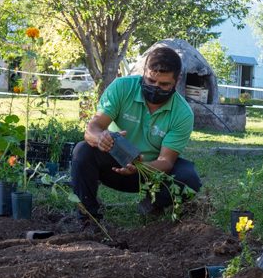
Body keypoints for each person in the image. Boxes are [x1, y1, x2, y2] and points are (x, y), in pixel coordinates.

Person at [71, 47, 203, 221]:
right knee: (82, 150)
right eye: (151, 81)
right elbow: (92, 128)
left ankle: (152, 204)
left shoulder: (183, 113)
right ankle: (88, 215)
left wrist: (139, 168)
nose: (156, 88)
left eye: (164, 84)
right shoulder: (122, 87)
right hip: (113, 164)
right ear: (144, 73)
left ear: (177, 81)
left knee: (189, 178)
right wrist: (100, 138)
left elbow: (166, 161)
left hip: (149, 172)